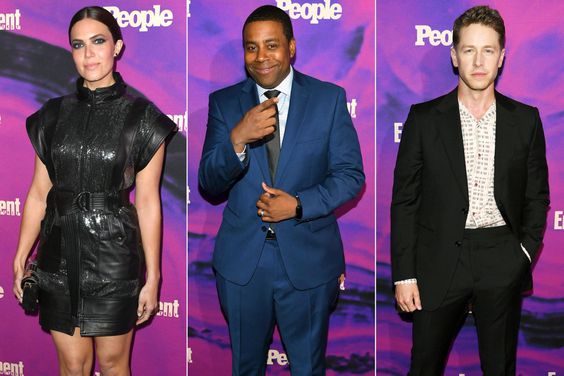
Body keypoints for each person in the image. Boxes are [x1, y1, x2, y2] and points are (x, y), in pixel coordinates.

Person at [198, 5, 364, 375]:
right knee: (246, 367)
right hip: (243, 264)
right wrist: (237, 140)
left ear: (291, 47)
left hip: (308, 261)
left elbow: (351, 175)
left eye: (271, 45)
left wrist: (299, 205)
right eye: (251, 47)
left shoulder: (329, 99)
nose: (261, 57)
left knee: (307, 368)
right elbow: (209, 183)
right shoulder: (224, 104)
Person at [12, 6, 176, 376]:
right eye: (78, 45)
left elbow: (148, 203)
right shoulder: (52, 115)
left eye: (98, 42)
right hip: (57, 255)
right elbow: (40, 192)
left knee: (115, 365)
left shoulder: (143, 118)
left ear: (117, 46)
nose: (88, 54)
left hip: (114, 257)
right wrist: (22, 254)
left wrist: (154, 277)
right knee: (72, 365)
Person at [391, 5, 549, 375]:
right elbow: (405, 202)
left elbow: (537, 197)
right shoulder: (424, 119)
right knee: (424, 366)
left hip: (501, 257)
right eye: (469, 50)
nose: (479, 61)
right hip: (438, 260)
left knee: (500, 368)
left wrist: (522, 253)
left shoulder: (525, 121)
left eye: (488, 50)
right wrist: (405, 274)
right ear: (454, 56)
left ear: (502, 57)